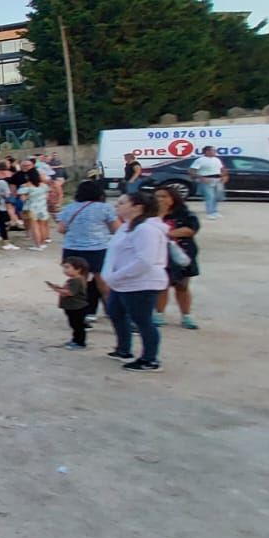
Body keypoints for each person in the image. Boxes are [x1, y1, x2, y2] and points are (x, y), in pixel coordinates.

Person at [102, 190, 169, 372]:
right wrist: (109, 274)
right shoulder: (127, 226)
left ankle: (150, 359)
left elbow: (144, 261)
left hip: (141, 283)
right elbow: (114, 252)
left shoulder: (146, 229)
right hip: (121, 282)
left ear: (138, 207)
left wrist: (116, 276)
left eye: (122, 203)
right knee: (115, 312)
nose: (117, 206)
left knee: (142, 320)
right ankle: (123, 349)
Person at [56, 180, 119, 322]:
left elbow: (61, 229)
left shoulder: (69, 208)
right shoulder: (105, 208)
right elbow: (116, 229)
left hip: (72, 249)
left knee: (79, 283)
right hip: (97, 248)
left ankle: (83, 313)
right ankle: (113, 311)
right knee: (102, 282)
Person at [153, 187, 201, 330]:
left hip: (183, 253)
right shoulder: (151, 215)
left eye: (164, 196)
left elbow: (190, 230)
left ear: (173, 198)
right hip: (160, 255)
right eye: (157, 196)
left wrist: (167, 233)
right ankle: (159, 314)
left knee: (182, 286)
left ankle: (186, 316)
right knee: (162, 286)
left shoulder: (185, 214)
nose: (160, 199)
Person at [52, 257, 92, 349]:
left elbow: (70, 292)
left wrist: (58, 290)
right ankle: (76, 340)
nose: (64, 270)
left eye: (67, 267)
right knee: (75, 325)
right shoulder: (75, 279)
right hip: (73, 307)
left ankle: (80, 342)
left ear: (78, 269)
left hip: (76, 307)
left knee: (77, 325)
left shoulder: (76, 281)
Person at [189, 146, 227, 220]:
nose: (215, 152)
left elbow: (222, 169)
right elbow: (192, 170)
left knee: (217, 197)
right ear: (207, 151)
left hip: (218, 179)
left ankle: (215, 211)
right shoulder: (200, 160)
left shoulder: (217, 159)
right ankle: (210, 213)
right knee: (210, 196)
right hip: (207, 180)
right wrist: (200, 178)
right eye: (213, 150)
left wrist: (224, 176)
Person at [22, 170, 52, 250]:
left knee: (34, 227)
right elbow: (47, 197)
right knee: (42, 225)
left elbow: (23, 199)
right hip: (42, 207)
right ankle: (42, 243)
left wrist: (29, 196)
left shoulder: (26, 186)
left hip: (32, 208)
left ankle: (37, 245)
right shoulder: (44, 186)